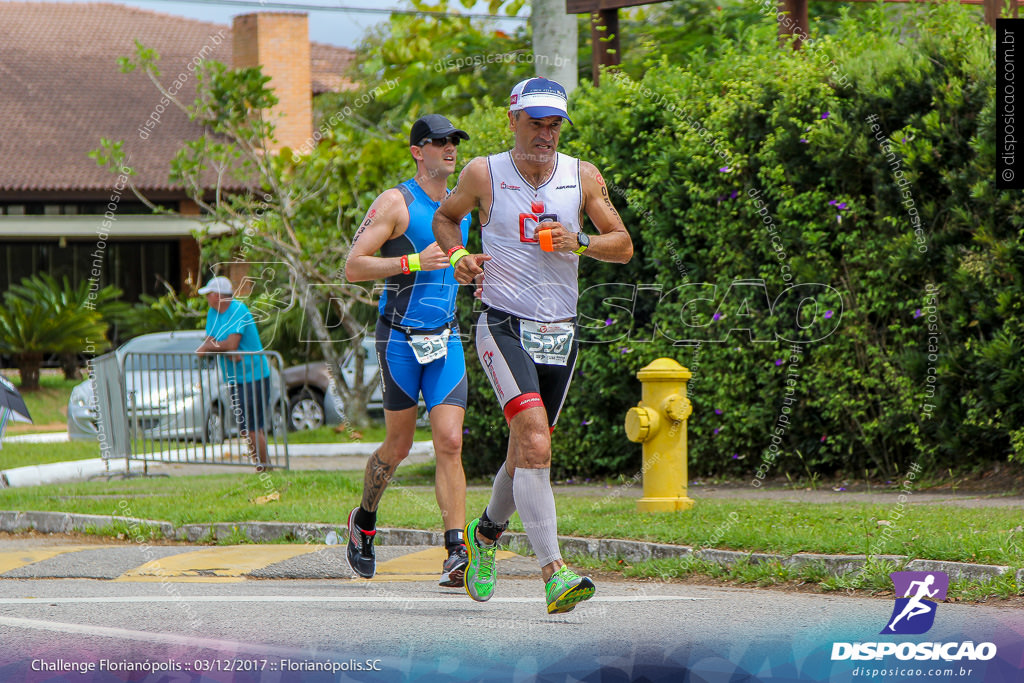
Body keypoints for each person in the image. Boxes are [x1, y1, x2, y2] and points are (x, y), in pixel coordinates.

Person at [432, 77, 633, 613]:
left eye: (554, 124)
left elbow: (624, 245)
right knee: (536, 442)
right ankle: (555, 572)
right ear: (512, 119)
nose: (546, 133)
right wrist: (459, 258)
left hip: (560, 331)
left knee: (527, 448)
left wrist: (583, 241)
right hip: (503, 323)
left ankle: (486, 534)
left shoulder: (581, 176)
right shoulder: (484, 173)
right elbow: (445, 219)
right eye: (536, 122)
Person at [343, 114, 473, 587]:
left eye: (453, 141)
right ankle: (365, 520)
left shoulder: (463, 205)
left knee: (450, 440)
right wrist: (411, 261)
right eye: (439, 142)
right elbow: (353, 266)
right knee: (397, 446)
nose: (449, 149)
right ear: (418, 151)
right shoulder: (396, 202)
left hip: (446, 335)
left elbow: (460, 261)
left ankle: (456, 550)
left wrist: (472, 270)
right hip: (398, 337)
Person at [196, 275, 272, 473]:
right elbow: (210, 341)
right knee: (245, 426)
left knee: (254, 425)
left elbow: (231, 344)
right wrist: (224, 350)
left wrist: (220, 348)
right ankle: (260, 466)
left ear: (219, 296)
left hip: (254, 374)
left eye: (209, 294)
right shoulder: (213, 313)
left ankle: (265, 468)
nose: (207, 298)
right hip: (235, 377)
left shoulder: (238, 310)